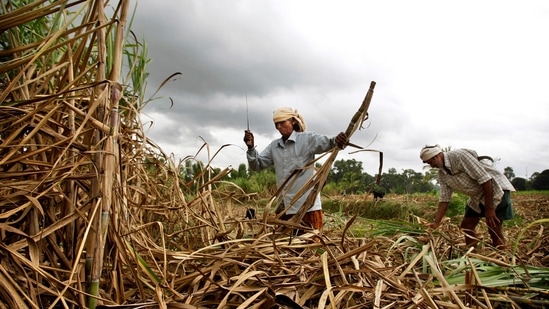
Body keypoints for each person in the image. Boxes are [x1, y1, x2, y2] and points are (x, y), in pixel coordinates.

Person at [243, 107, 348, 232]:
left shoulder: (307, 139)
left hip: (307, 208)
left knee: (309, 247)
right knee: (285, 248)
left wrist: (339, 140)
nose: (279, 127)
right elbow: (257, 164)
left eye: (282, 122)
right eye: (276, 124)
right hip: (285, 209)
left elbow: (330, 143)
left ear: (292, 121)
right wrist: (250, 148)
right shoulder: (274, 147)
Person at [420, 145, 515, 250]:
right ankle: (472, 254)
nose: (432, 166)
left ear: (436, 156)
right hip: (477, 196)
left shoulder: (459, 156)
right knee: (467, 225)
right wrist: (436, 223)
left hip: (495, 190)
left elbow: (486, 180)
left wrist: (489, 209)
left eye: (430, 163)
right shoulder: (442, 174)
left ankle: (501, 257)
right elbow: (444, 199)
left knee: (494, 229)